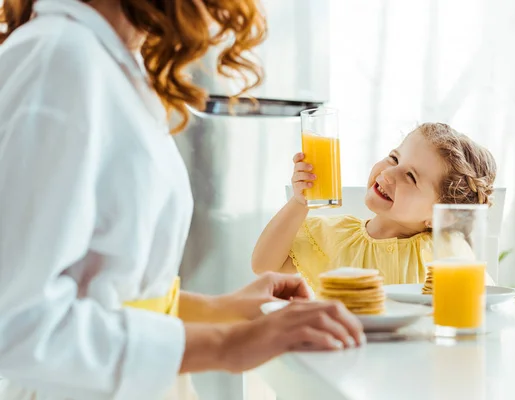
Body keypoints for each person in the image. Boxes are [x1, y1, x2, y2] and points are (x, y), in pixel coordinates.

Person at [0, 0, 364, 399]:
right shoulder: (58, 60)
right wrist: (228, 346)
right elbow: (18, 325)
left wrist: (219, 308)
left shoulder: (108, 64)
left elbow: (107, 289)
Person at [252, 123, 515, 301]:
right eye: (394, 159)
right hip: (343, 368)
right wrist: (300, 202)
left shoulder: (448, 252)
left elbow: (484, 305)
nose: (388, 173)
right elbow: (264, 265)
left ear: (439, 215)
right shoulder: (332, 234)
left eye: (410, 177)